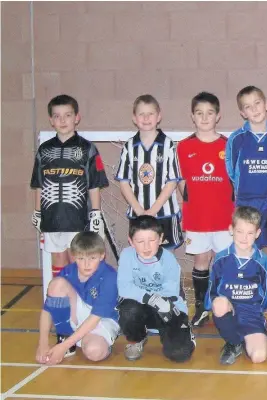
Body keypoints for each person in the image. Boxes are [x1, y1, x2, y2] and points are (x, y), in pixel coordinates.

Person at [30, 94, 109, 277]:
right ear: (51, 120)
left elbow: (94, 184)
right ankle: (63, 301)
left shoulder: (88, 148)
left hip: (78, 218)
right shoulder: (44, 149)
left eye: (67, 115)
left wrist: (95, 212)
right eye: (57, 116)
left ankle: (81, 303)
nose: (62, 120)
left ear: (76, 118)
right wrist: (37, 211)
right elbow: (38, 184)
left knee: (80, 261)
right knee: (59, 262)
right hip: (52, 217)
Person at [176, 92, 235, 327]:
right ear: (192, 116)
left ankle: (226, 305)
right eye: (199, 113)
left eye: (209, 113)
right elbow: (181, 181)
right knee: (201, 260)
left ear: (218, 115)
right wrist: (192, 200)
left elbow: (234, 181)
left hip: (224, 217)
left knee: (224, 262)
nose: (204, 117)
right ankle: (201, 307)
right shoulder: (184, 146)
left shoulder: (228, 145)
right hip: (197, 217)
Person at [116, 216, 195, 362]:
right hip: (143, 307)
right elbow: (124, 288)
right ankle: (136, 339)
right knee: (128, 309)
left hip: (166, 307)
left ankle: (184, 331)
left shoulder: (169, 260)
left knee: (180, 354)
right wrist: (150, 298)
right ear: (131, 241)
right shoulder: (127, 255)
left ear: (161, 239)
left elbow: (170, 293)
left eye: (152, 240)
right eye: (140, 241)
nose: (146, 247)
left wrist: (156, 301)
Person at [226, 86, 267, 265]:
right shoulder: (237, 139)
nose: (254, 109)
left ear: (266, 105)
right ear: (242, 113)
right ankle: (249, 289)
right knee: (245, 248)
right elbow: (231, 170)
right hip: (246, 203)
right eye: (247, 107)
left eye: (257, 103)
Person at [35, 232, 119, 365]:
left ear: (102, 256)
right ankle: (65, 336)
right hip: (78, 313)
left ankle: (89, 342)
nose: (86, 264)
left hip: (102, 319)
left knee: (94, 352)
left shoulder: (110, 277)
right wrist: (42, 344)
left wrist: (63, 348)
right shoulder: (68, 271)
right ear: (73, 257)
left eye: (92, 258)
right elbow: (48, 309)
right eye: (81, 258)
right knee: (57, 284)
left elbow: (95, 318)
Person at [116, 95, 183, 249]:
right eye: (141, 114)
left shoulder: (168, 145)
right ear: (134, 118)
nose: (146, 118)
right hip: (138, 214)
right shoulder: (129, 146)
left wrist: (153, 210)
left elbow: (172, 182)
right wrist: (139, 210)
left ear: (159, 116)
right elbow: (124, 182)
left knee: (165, 256)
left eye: (150, 114)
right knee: (141, 255)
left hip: (164, 213)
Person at [207, 206, 267, 365]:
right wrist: (218, 308)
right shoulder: (221, 259)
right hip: (229, 310)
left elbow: (266, 294)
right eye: (240, 232)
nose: (244, 238)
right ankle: (233, 342)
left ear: (257, 234)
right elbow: (213, 291)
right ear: (231, 230)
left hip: (251, 313)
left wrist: (259, 310)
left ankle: (245, 338)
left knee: (259, 357)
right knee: (219, 303)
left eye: (250, 233)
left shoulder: (263, 261)